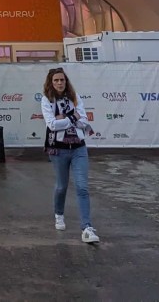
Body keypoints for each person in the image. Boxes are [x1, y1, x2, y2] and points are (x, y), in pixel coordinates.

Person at [42, 67, 100, 244]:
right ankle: (59, 214)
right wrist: (72, 118)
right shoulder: (47, 100)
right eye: (56, 80)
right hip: (58, 150)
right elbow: (52, 124)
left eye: (62, 80)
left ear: (66, 81)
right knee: (62, 186)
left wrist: (64, 118)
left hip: (78, 148)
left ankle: (87, 228)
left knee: (82, 187)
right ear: (51, 83)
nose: (60, 83)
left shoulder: (75, 97)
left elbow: (84, 120)